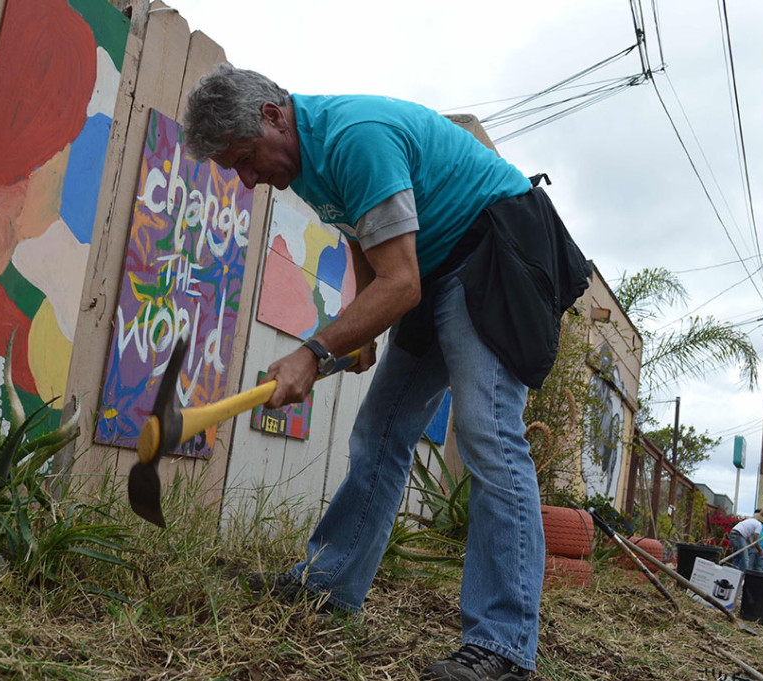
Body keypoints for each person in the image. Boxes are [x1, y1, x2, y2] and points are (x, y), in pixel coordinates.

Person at [183, 64, 590, 681]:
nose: (247, 178)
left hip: (492, 252)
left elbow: (400, 283)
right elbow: (360, 234)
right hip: (429, 267)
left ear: (271, 115)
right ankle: (329, 585)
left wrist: (312, 352)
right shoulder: (305, 158)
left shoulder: (355, 136)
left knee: (487, 432)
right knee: (380, 431)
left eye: (244, 158)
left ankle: (503, 645)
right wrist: (361, 327)